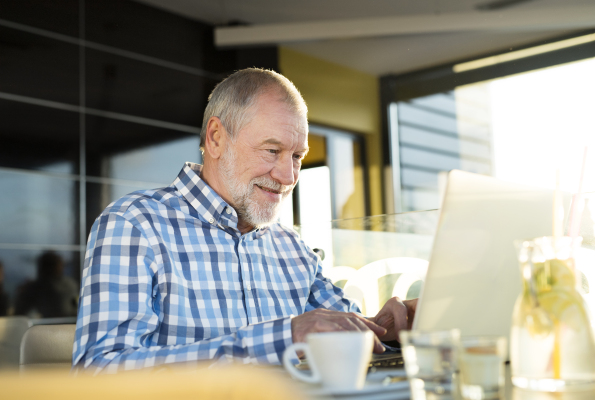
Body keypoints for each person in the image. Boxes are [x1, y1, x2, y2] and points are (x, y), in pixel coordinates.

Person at [73, 68, 417, 373]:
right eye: (272, 151)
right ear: (216, 138)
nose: (287, 175)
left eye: (297, 156)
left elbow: (345, 332)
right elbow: (98, 371)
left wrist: (389, 324)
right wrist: (286, 336)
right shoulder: (135, 224)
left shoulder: (291, 247)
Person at [15, 251, 78, 318]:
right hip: (51, 325)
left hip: (64, 325)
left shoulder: (69, 285)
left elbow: (20, 312)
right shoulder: (35, 288)